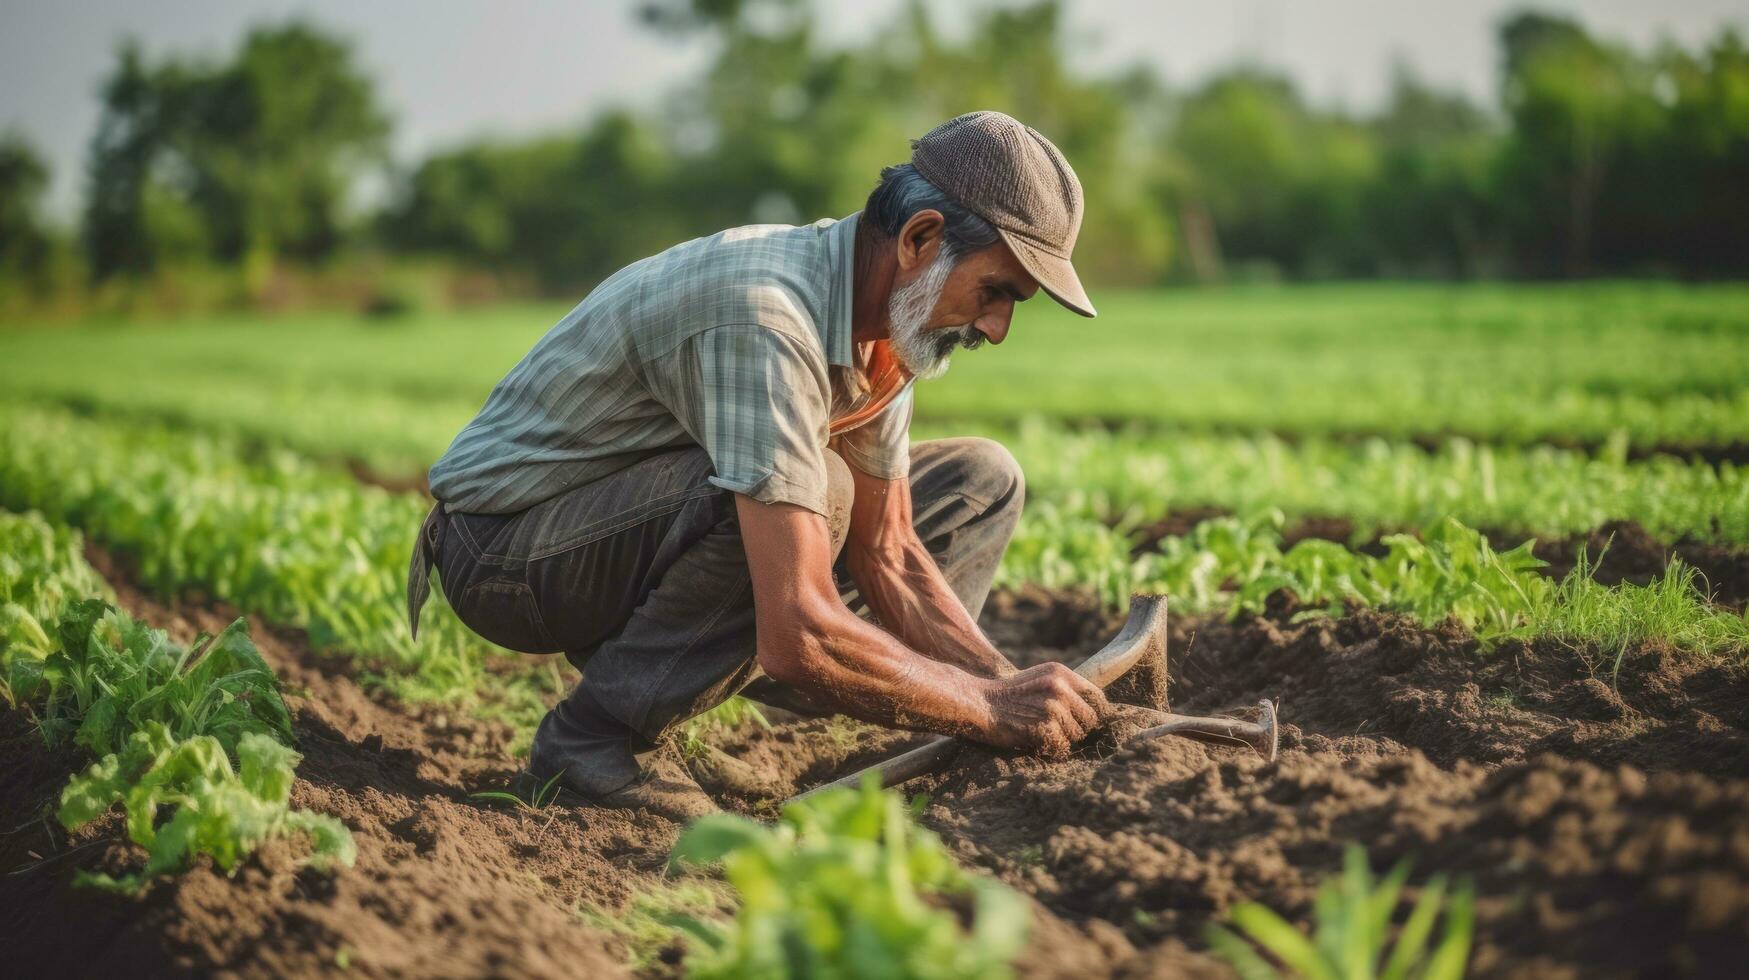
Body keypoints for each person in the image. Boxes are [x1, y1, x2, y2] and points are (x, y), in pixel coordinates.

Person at [407, 111, 1110, 821]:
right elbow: (799, 632)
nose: (995, 327)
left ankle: (660, 699)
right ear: (919, 239)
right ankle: (594, 738)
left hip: (616, 530)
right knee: (814, 491)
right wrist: (985, 709)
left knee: (980, 482)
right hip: (504, 553)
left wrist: (1007, 686)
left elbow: (887, 552)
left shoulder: (887, 327)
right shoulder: (767, 316)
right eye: (995, 292)